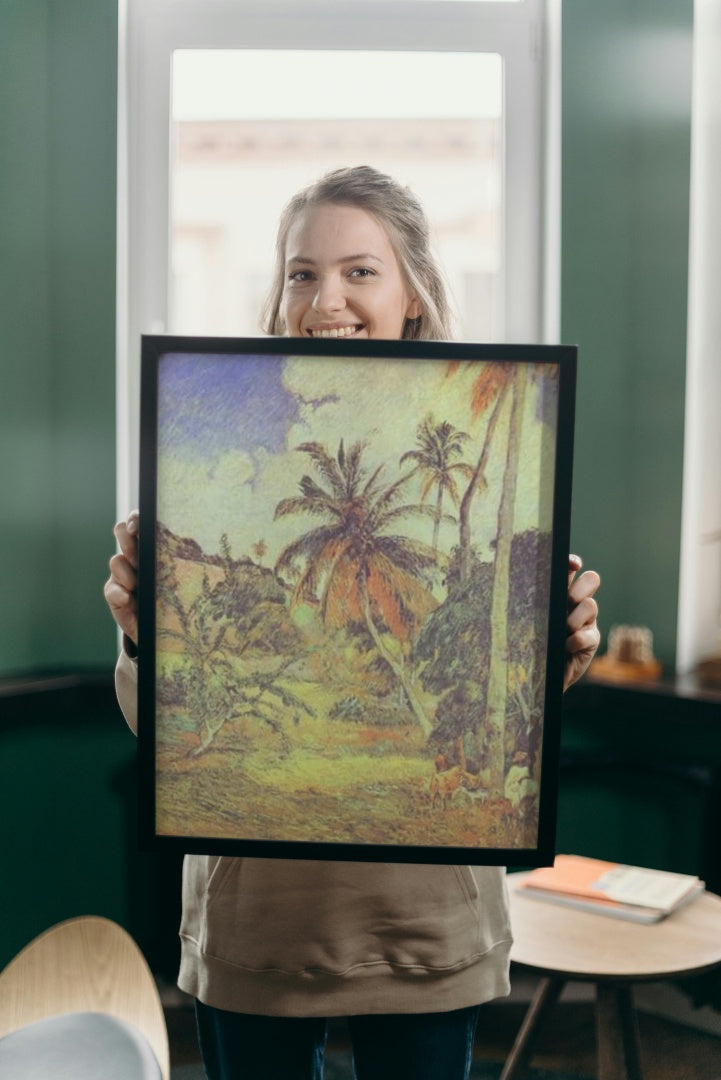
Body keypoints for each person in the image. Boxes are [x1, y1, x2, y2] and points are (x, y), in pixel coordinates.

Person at [105, 166, 601, 1080]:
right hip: (255, 927)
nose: (324, 297)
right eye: (301, 272)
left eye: (359, 271)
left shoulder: (487, 440)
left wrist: (555, 651)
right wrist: (144, 637)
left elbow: (503, 713)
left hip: (426, 924)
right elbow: (166, 734)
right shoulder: (196, 426)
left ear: (412, 292)